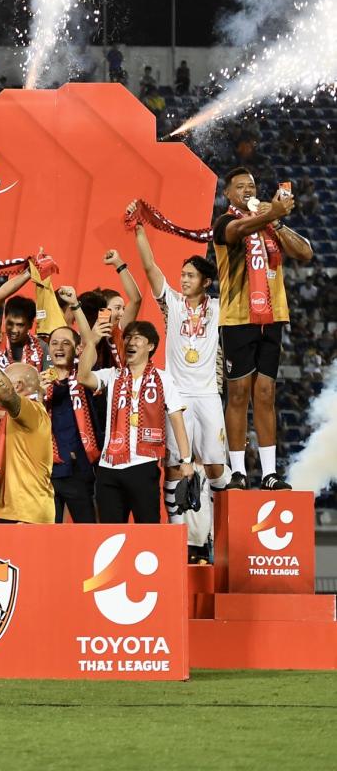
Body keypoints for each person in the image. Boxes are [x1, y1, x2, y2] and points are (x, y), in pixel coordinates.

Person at [212, 169, 313, 488]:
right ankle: (238, 471)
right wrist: (271, 213)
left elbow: (305, 252)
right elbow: (239, 230)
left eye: (251, 186)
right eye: (239, 187)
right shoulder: (224, 222)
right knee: (239, 393)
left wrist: (278, 220)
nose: (246, 190)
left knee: (266, 394)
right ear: (228, 194)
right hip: (237, 317)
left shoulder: (271, 225)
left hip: (272, 318)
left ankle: (269, 473)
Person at [131, 213, 224, 555]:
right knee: (173, 466)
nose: (183, 280)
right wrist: (139, 230)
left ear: (205, 282)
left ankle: (214, 535)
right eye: (182, 275)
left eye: (190, 276)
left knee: (215, 467)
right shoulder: (171, 303)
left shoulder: (218, 307)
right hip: (177, 396)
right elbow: (151, 267)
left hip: (208, 394)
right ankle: (178, 538)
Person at [77, 319, 194, 524]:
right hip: (109, 468)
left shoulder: (163, 378)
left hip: (143, 465)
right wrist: (93, 341)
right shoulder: (112, 375)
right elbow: (83, 377)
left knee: (147, 532)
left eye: (138, 338)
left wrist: (185, 461)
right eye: (128, 337)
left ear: (150, 346)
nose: (131, 342)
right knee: (110, 536)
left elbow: (177, 419)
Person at [0, 324, 54, 524]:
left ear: (19, 386)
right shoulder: (10, 422)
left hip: (27, 518)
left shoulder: (33, 411)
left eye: (4, 380)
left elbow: (7, 394)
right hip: (8, 515)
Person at [40, 312, 100, 524]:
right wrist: (38, 394)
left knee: (87, 532)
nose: (59, 347)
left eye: (66, 343)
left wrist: (76, 306)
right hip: (44, 473)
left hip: (77, 470)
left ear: (76, 349)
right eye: (54, 343)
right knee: (47, 538)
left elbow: (89, 341)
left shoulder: (85, 379)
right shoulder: (37, 382)